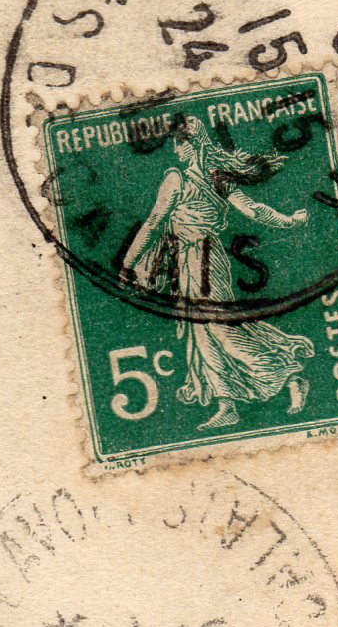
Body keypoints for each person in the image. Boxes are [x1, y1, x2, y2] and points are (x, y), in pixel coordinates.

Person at [118, 114, 314, 430]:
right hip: (188, 261)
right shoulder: (218, 180)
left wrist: (128, 264)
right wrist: (289, 220)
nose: (175, 149)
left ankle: (287, 375)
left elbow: (154, 222)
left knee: (221, 329)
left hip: (203, 261)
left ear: (191, 144)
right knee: (202, 334)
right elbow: (255, 210)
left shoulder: (178, 180)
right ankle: (227, 405)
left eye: (178, 143)